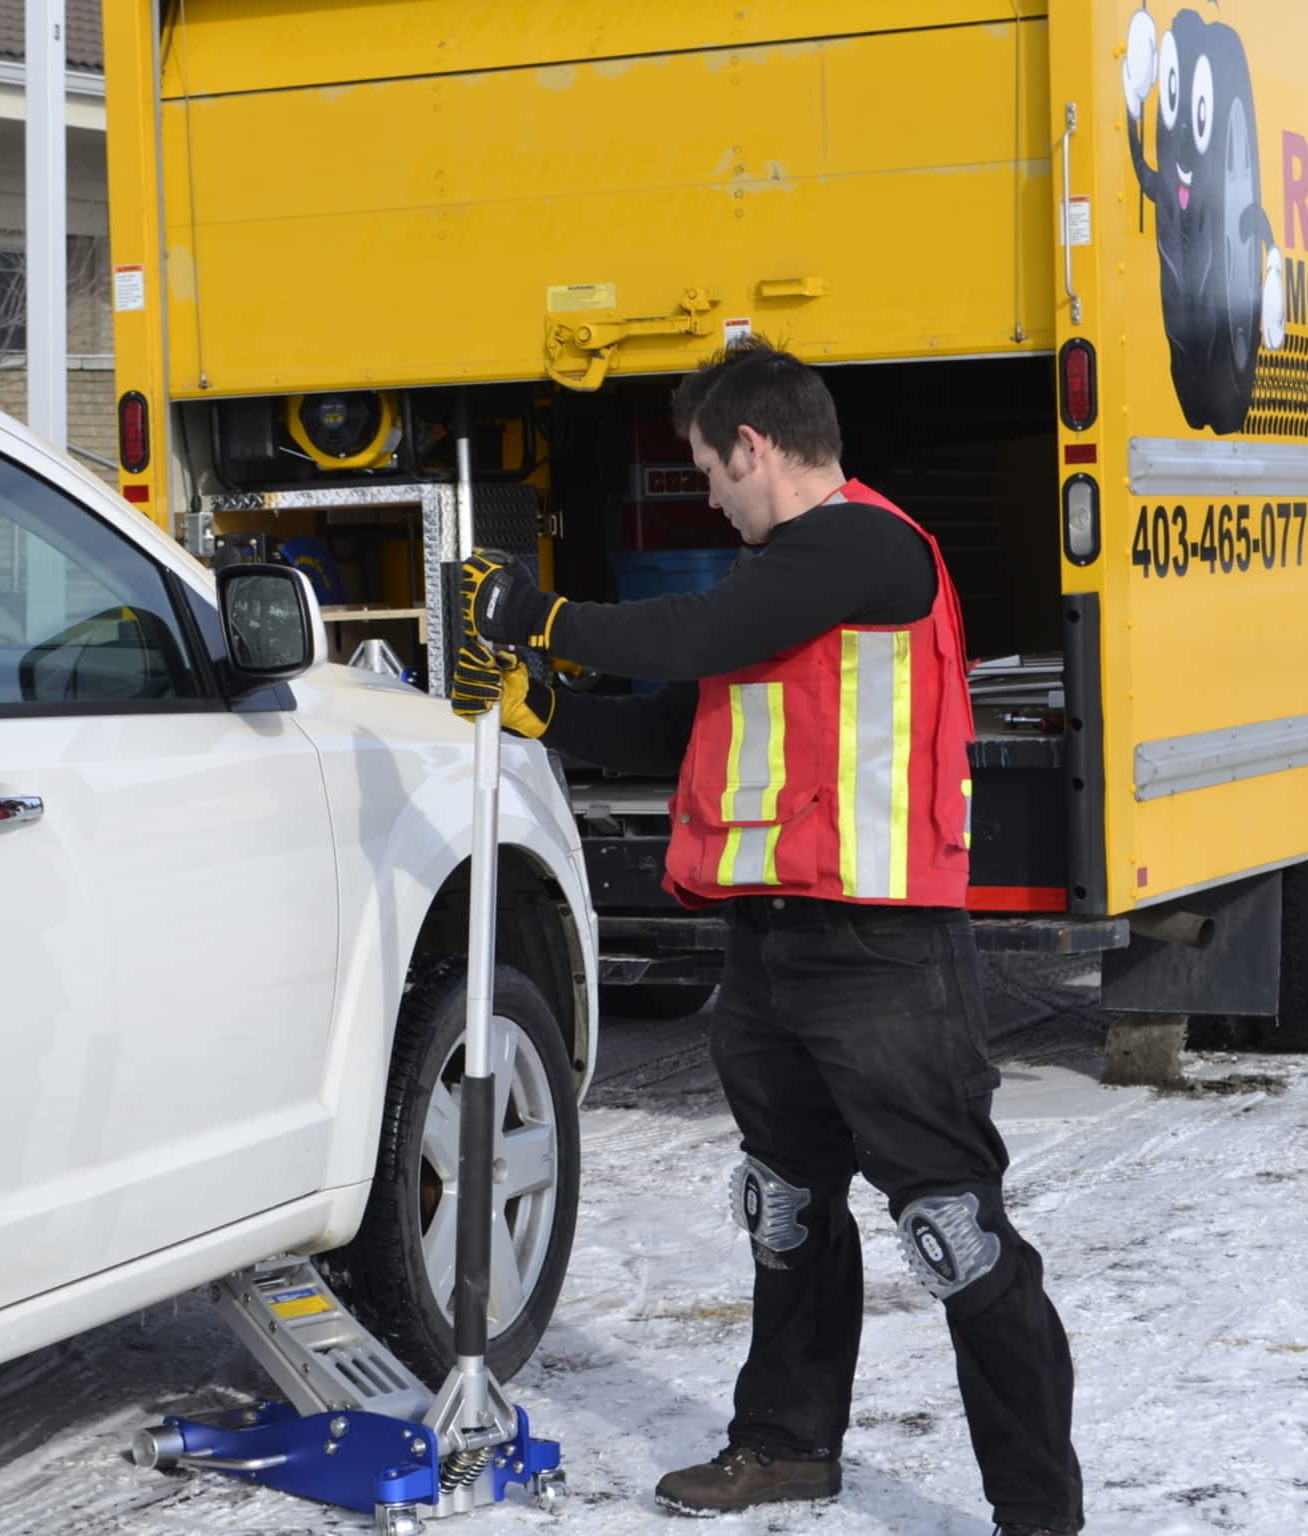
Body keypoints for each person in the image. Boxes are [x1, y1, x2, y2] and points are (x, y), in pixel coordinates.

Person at [451, 339, 1083, 1536]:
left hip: (881, 951)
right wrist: (544, 708)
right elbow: (668, 729)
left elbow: (687, 634)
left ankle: (1037, 1511)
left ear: (754, 445)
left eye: (706, 472)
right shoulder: (775, 589)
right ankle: (787, 1444)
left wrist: (538, 611)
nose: (706, 497)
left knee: (950, 1229)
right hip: (767, 942)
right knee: (785, 1207)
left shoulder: (858, 545)